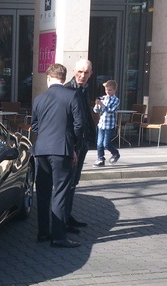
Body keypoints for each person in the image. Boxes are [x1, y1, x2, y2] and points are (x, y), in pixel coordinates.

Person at [30, 63, 83, 248]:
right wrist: (73, 146)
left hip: (41, 150)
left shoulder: (39, 99)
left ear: (48, 77)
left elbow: (34, 126)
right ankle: (59, 236)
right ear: (64, 77)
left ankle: (43, 233)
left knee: (43, 193)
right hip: (62, 150)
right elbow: (79, 125)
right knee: (60, 193)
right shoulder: (72, 95)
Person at [64, 59, 96, 232]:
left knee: (74, 182)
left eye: (86, 72)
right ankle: (63, 220)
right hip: (73, 145)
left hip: (82, 143)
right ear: (74, 71)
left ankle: (68, 216)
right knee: (68, 183)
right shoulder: (68, 90)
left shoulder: (84, 90)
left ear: (91, 73)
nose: (82, 76)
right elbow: (67, 123)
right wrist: (72, 147)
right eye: (80, 72)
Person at [92, 79, 121, 167]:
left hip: (110, 125)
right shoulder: (104, 98)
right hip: (101, 124)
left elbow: (110, 110)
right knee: (99, 143)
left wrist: (102, 104)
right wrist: (97, 104)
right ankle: (100, 158)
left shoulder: (116, 100)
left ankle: (115, 153)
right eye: (106, 90)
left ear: (114, 90)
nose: (107, 92)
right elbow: (96, 111)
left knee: (106, 144)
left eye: (110, 90)